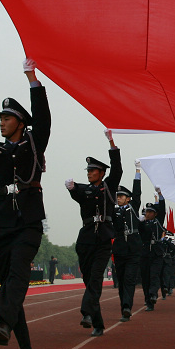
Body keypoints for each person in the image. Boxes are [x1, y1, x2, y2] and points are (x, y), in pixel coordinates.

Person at [0, 57, 50, 349]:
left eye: (7, 117)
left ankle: (2, 322)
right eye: (0, 117)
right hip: (3, 222)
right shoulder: (0, 152)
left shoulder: (33, 144)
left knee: (18, 273)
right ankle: (21, 342)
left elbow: (44, 119)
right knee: (10, 282)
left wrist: (33, 80)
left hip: (29, 221)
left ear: (21, 122)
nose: (2, 121)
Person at [66, 131, 123, 336]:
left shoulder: (109, 187)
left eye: (93, 170)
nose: (89, 173)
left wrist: (111, 143)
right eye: (88, 170)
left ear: (101, 172)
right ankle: (96, 321)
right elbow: (77, 194)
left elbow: (117, 169)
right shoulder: (85, 190)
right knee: (89, 279)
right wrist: (71, 189)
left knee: (96, 277)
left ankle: (86, 313)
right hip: (86, 239)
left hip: (104, 238)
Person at [112, 164, 143, 321]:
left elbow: (137, 192)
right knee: (122, 278)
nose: (118, 198)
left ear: (128, 198)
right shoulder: (114, 211)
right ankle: (123, 305)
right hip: (119, 248)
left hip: (133, 248)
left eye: (121, 196)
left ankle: (126, 307)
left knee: (130, 278)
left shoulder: (133, 208)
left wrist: (137, 172)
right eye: (117, 196)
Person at [139, 197, 166, 311]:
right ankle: (148, 300)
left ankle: (153, 294)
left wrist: (160, 196)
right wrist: (140, 221)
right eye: (147, 212)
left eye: (150, 212)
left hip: (156, 252)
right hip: (145, 252)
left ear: (155, 214)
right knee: (145, 278)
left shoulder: (158, 221)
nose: (148, 214)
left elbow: (163, 209)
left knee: (154, 275)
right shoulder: (141, 223)